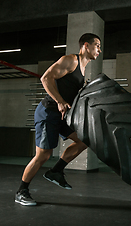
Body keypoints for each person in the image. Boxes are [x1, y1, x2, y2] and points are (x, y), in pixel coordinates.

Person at [15, 33, 102, 206]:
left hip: (63, 117)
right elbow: (45, 78)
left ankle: (56, 171)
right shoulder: (70, 60)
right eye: (97, 45)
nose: (99, 49)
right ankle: (21, 191)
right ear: (86, 45)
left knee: (84, 140)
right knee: (43, 155)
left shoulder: (83, 70)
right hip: (48, 112)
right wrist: (60, 101)